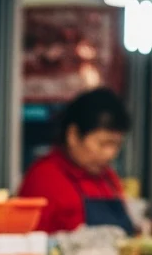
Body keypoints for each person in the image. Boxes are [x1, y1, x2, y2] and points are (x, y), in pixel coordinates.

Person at [17, 88, 134, 234]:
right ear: (73, 136)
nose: (110, 154)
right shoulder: (44, 177)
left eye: (117, 145)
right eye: (103, 143)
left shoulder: (109, 179)